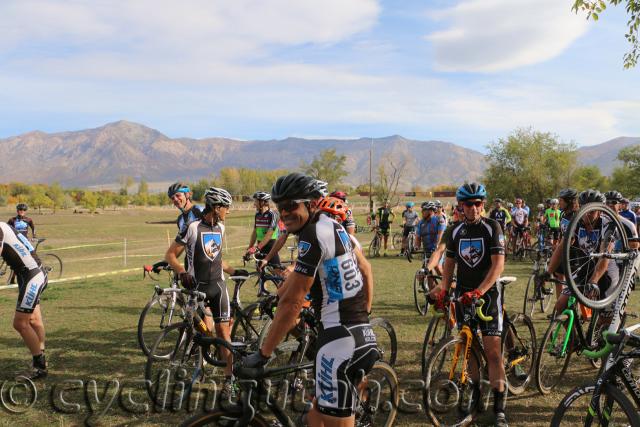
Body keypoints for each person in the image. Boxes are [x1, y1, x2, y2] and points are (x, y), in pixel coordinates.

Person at [242, 173, 378, 427]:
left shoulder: (313, 234)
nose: (284, 213)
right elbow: (300, 277)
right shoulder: (329, 224)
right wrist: (277, 294)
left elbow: (293, 304)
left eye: (292, 205)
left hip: (339, 344)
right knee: (313, 418)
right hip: (355, 334)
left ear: (313, 203)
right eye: (280, 207)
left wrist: (263, 354)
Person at [429, 182, 508, 427]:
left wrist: (480, 291)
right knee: (468, 348)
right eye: (468, 204)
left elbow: (498, 265)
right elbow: (450, 262)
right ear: (461, 206)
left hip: (488, 297)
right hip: (464, 296)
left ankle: (499, 408)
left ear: (482, 204)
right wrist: (443, 289)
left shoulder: (492, 227)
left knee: (493, 352)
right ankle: (474, 398)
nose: (473, 208)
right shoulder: (455, 230)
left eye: (477, 204)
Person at [165, 187, 248, 398]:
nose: (228, 211)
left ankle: (230, 380)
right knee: (197, 332)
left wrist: (234, 271)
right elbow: (170, 256)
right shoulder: (192, 227)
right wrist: (182, 272)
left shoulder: (220, 227)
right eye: (226, 207)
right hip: (196, 287)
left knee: (223, 334)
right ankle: (198, 366)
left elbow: (217, 258)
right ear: (216, 207)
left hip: (218, 286)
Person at [2, 221, 49, 379]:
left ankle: (39, 367)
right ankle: (41, 358)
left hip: (32, 276)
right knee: (34, 320)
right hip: (29, 274)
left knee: (20, 323)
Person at [245, 191, 280, 295]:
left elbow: (269, 234)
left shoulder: (272, 214)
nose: (254, 204)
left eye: (256, 201)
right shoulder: (257, 215)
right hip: (260, 247)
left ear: (263, 202)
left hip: (271, 246)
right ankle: (263, 294)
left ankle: (282, 293)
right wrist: (250, 248)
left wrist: (257, 247)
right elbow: (255, 232)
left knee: (277, 273)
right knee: (261, 271)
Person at [416, 202, 446, 283]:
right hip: (426, 251)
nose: (422, 212)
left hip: (438, 250)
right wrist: (416, 247)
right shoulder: (420, 223)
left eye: (424, 210)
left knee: (437, 267)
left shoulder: (439, 219)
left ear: (430, 211)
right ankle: (430, 295)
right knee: (428, 275)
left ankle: (450, 284)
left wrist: (437, 245)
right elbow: (418, 237)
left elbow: (441, 234)